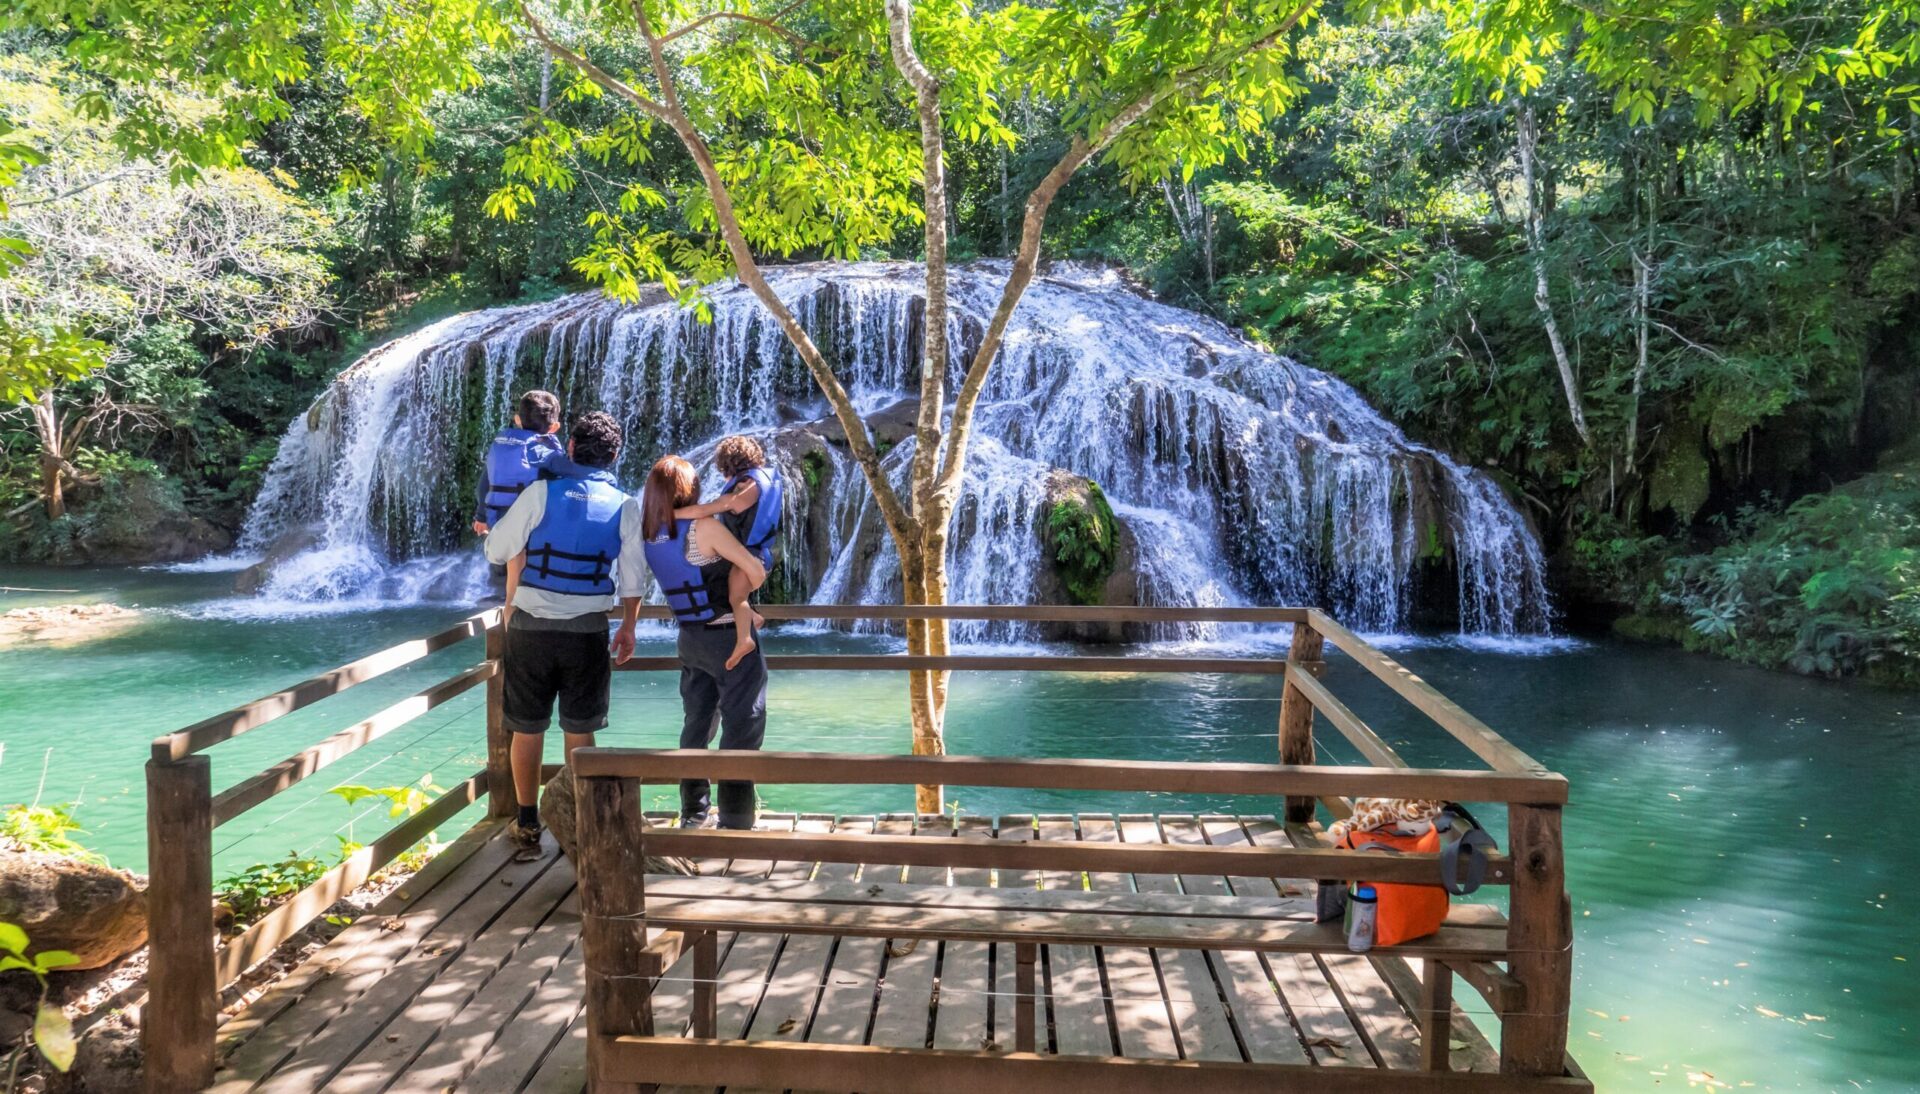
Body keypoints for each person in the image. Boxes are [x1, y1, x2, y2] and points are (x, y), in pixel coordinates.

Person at [484, 411, 648, 850]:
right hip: (588, 632)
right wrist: (629, 628)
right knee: (580, 728)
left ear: (570, 448)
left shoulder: (540, 492)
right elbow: (634, 579)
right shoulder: (626, 505)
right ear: (615, 455)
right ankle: (583, 819)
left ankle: (527, 820)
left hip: (530, 628)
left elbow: (497, 549)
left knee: (526, 726)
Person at [641, 454, 769, 830]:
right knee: (743, 725)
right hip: (729, 636)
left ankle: (693, 814)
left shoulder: (649, 532)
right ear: (689, 490)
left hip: (690, 639)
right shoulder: (704, 528)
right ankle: (735, 818)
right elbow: (755, 571)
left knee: (696, 723)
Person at [672, 435, 784, 670]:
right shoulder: (758, 481)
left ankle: (744, 639)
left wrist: (673, 515)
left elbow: (713, 508)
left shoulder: (745, 489)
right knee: (730, 590)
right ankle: (753, 617)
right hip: (752, 555)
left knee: (737, 597)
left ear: (727, 464)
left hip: (751, 557)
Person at [473, 390, 563, 536]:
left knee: (503, 556)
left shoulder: (502, 449)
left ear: (517, 419)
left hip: (499, 518)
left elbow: (483, 486)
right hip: (530, 523)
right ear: (554, 427)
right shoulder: (546, 454)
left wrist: (481, 516)